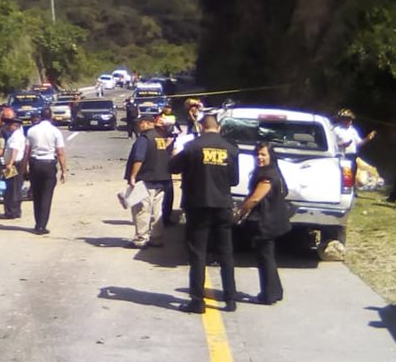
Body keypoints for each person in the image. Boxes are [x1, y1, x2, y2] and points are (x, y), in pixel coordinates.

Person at [168, 114, 240, 313]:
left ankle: (197, 301)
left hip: (197, 205)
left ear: (200, 127)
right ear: (218, 128)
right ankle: (230, 299)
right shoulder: (231, 149)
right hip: (223, 205)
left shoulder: (192, 147)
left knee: (197, 254)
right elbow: (234, 180)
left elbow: (172, 167)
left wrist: (175, 153)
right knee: (226, 253)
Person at [236, 142, 292, 304]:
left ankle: (268, 295)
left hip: (266, 223)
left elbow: (254, 199)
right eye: (257, 154)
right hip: (274, 222)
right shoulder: (275, 172)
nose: (259, 158)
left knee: (265, 259)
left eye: (263, 155)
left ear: (270, 156)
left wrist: (240, 214)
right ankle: (276, 291)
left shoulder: (267, 175)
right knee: (268, 258)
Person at [125, 115, 172, 248]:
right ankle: (157, 238)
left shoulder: (144, 139)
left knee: (142, 209)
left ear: (146, 123)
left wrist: (133, 176)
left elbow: (139, 158)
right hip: (161, 179)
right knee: (157, 211)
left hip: (146, 179)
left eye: (139, 123)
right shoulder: (159, 137)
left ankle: (141, 239)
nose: (138, 126)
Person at [23, 107, 67, 235]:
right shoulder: (55, 132)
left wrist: (24, 167)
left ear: (40, 116)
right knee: (46, 195)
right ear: (51, 116)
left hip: (35, 164)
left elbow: (27, 151)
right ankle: (42, 225)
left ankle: (38, 223)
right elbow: (60, 152)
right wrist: (64, 170)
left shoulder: (31, 131)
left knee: (36, 195)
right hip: (48, 164)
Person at [1, 111, 26, 219]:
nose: (8, 127)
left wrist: (10, 163)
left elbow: (14, 150)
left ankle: (11, 212)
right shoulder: (17, 135)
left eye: (10, 125)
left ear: (15, 126)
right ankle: (14, 211)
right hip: (15, 164)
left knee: (11, 189)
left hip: (13, 164)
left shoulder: (15, 136)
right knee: (14, 188)